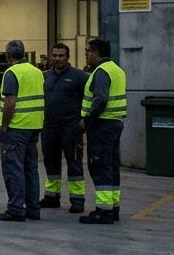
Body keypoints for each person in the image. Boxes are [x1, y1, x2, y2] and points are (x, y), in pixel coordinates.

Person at [0, 40, 45, 222]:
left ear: (8, 56)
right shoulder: (37, 72)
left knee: (13, 168)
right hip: (34, 126)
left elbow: (10, 102)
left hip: (16, 127)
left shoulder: (11, 73)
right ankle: (33, 208)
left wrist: (5, 125)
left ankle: (15, 208)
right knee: (30, 168)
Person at [79, 37, 128, 225]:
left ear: (96, 53)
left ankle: (104, 210)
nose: (86, 54)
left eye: (87, 51)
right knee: (111, 165)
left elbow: (100, 99)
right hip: (115, 123)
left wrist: (87, 121)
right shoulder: (117, 70)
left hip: (102, 125)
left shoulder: (101, 72)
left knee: (100, 165)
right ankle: (113, 207)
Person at [41, 43, 88, 213]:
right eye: (54, 55)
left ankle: (77, 199)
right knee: (50, 162)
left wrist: (84, 121)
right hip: (49, 127)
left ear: (68, 57)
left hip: (71, 129)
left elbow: (89, 99)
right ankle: (51, 196)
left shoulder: (79, 77)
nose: (57, 59)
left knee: (74, 163)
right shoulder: (45, 76)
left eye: (61, 56)